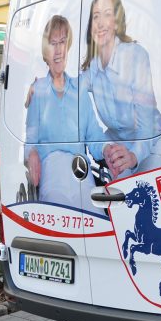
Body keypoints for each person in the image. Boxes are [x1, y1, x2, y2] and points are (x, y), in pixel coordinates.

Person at [81, 0, 161, 178]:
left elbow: (146, 123)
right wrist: (41, 88)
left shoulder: (135, 56)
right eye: (96, 16)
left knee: (143, 198)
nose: (100, 24)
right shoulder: (93, 68)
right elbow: (70, 91)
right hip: (120, 151)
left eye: (107, 15)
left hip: (151, 146)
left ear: (116, 22)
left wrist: (133, 156)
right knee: (117, 201)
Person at [25, 15, 108, 210]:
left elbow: (94, 135)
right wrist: (32, 153)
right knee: (59, 210)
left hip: (80, 169)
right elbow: (30, 138)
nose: (58, 49)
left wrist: (107, 149)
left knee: (94, 216)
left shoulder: (79, 89)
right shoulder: (38, 90)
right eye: (53, 43)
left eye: (62, 42)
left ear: (68, 46)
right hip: (52, 169)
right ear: (46, 51)